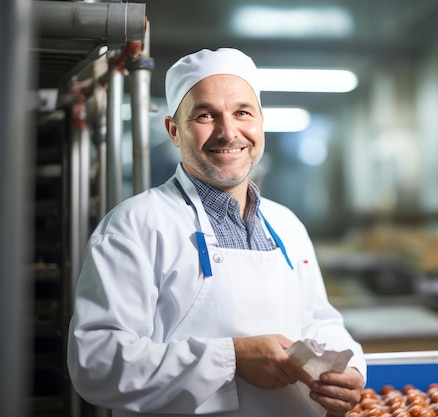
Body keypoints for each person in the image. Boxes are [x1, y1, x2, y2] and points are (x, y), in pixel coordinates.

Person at [67, 48, 366, 417]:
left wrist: (349, 369)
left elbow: (319, 321)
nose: (228, 132)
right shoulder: (134, 226)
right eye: (206, 115)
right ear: (174, 131)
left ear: (260, 122)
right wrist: (231, 358)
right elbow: (97, 363)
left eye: (243, 112)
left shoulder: (287, 224)